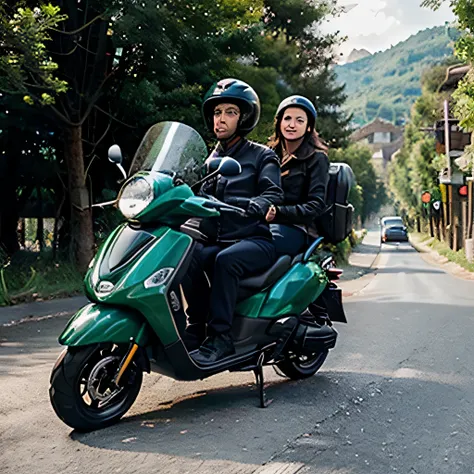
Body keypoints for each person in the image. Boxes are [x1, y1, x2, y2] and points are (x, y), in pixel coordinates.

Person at [184, 78, 284, 364]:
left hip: (253, 239)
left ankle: (221, 338)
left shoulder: (262, 155)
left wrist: (257, 204)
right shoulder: (208, 157)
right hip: (215, 238)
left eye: (230, 112)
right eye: (217, 112)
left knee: (225, 262)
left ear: (244, 117)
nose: (221, 119)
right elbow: (189, 187)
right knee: (186, 255)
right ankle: (196, 326)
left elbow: (273, 191)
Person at [266, 95, 329, 257]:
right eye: (287, 119)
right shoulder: (268, 155)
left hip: (299, 229)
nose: (292, 125)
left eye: (300, 120)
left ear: (309, 127)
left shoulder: (317, 159)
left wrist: (279, 212)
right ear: (279, 123)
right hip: (264, 224)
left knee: (254, 249)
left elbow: (316, 205)